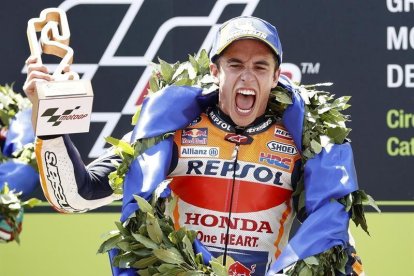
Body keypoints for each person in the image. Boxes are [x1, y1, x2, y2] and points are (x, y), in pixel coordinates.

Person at [24, 16, 364, 275]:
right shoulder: (171, 131)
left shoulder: (302, 145)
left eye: (260, 67)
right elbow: (75, 195)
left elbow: (328, 233)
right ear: (216, 71)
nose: (247, 77)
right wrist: (50, 115)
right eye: (235, 65)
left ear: (276, 77)